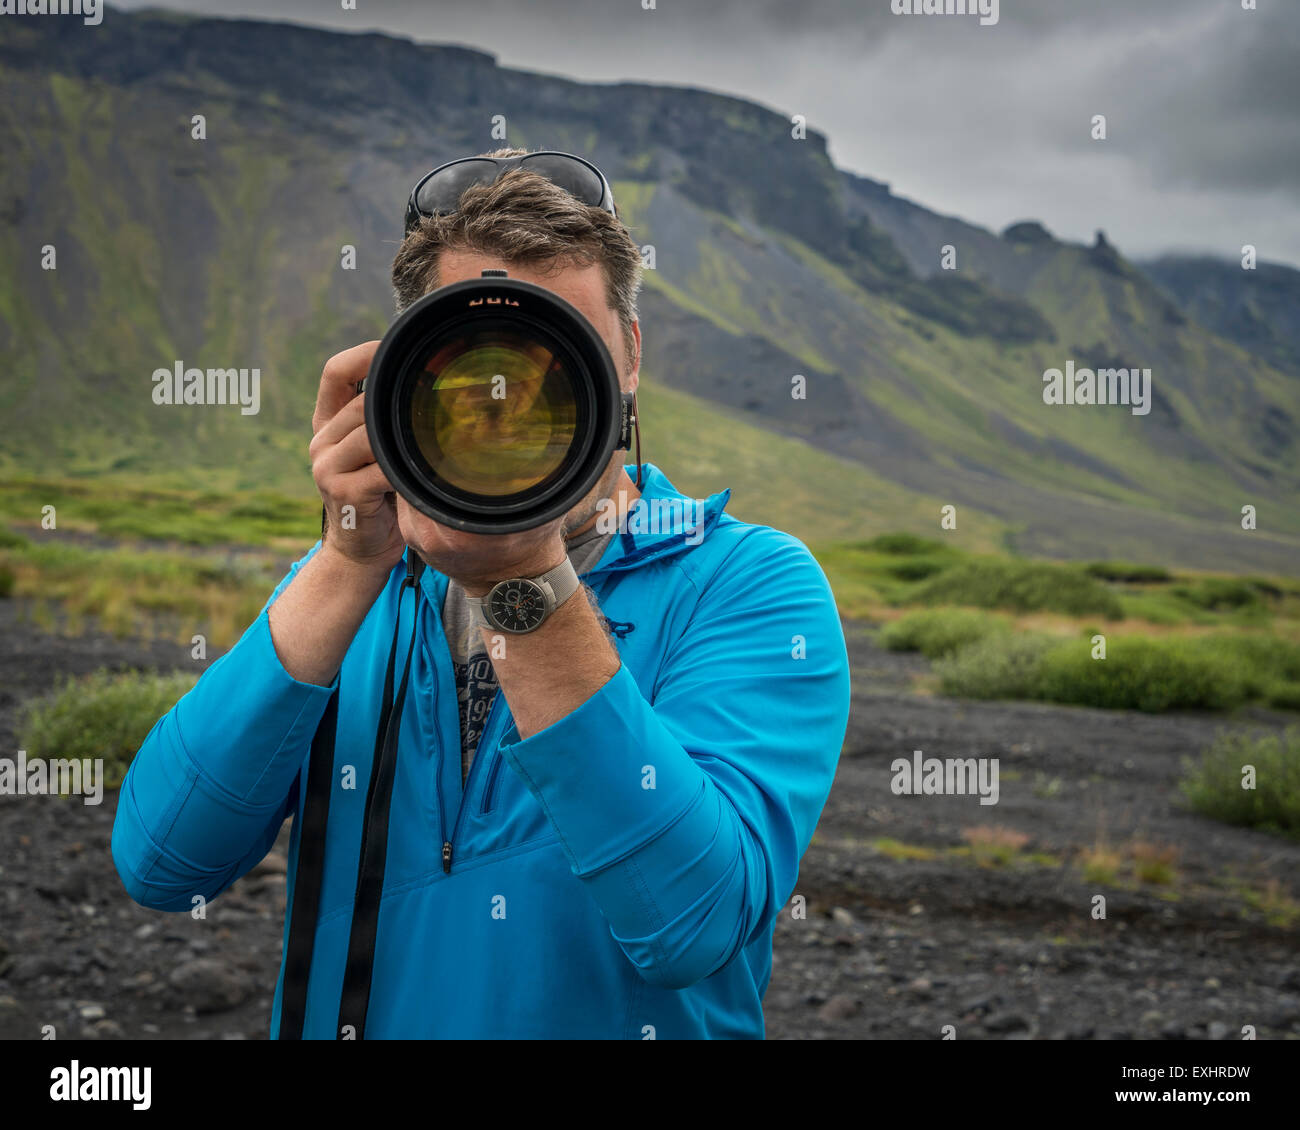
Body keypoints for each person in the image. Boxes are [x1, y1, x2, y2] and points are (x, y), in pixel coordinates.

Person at [111, 148, 852, 1039]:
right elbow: (162, 862)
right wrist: (347, 564)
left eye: (561, 350)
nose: (510, 394)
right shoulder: (356, 586)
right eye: (473, 361)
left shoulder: (745, 585)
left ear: (629, 356)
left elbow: (692, 924)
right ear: (403, 371)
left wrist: (522, 581)